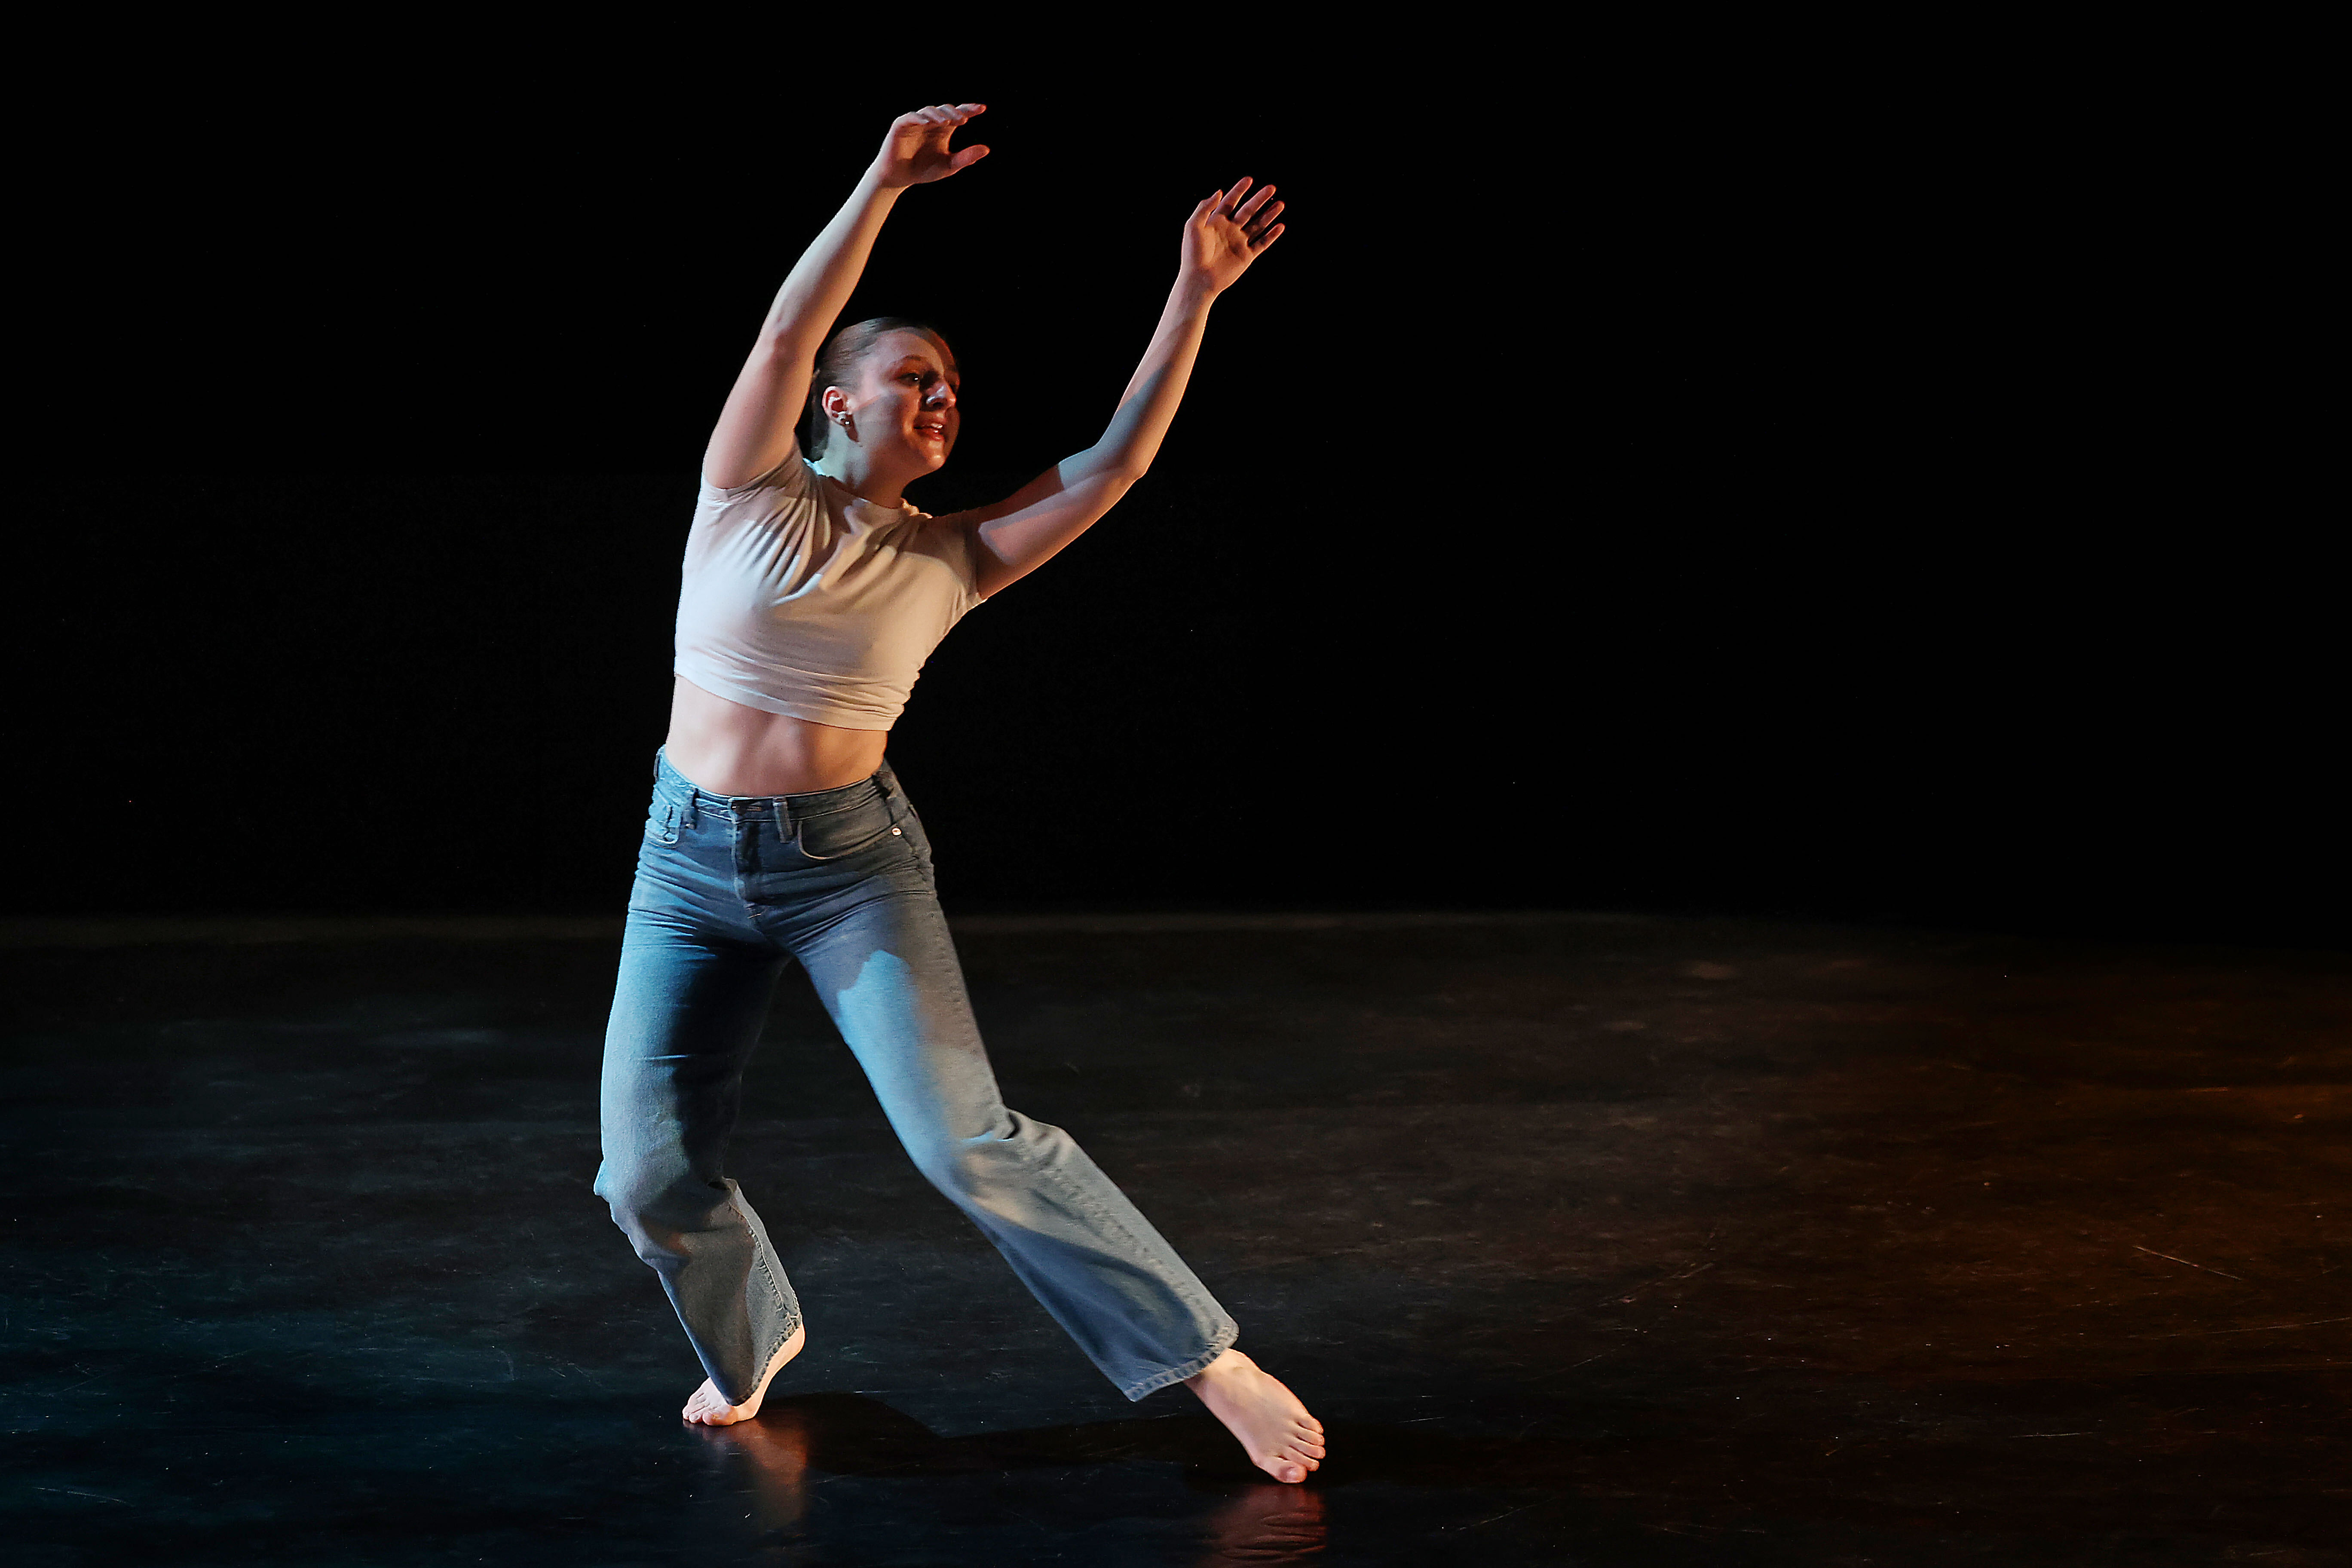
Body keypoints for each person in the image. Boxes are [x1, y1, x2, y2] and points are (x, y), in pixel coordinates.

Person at [592, 103, 1324, 1485]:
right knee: (641, 1178)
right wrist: (882, 183)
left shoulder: (958, 554)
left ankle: (1204, 1359)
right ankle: (750, 1336)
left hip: (847, 869)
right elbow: (781, 332)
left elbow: (1116, 463)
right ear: (837, 402)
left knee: (968, 1145)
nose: (941, 400)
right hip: (684, 864)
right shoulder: (747, 489)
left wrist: (1193, 293)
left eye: (954, 391)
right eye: (914, 376)